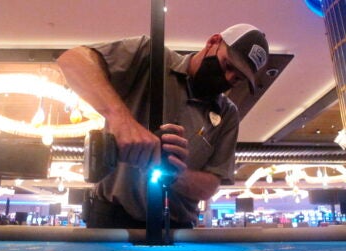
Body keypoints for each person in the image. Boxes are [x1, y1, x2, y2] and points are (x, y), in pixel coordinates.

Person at [57, 23, 269, 229]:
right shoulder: (151, 57)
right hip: (111, 218)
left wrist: (174, 173)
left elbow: (210, 186)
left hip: (177, 228)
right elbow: (73, 61)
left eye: (238, 78)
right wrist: (121, 118)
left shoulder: (227, 114)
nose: (229, 78)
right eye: (228, 65)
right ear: (213, 41)